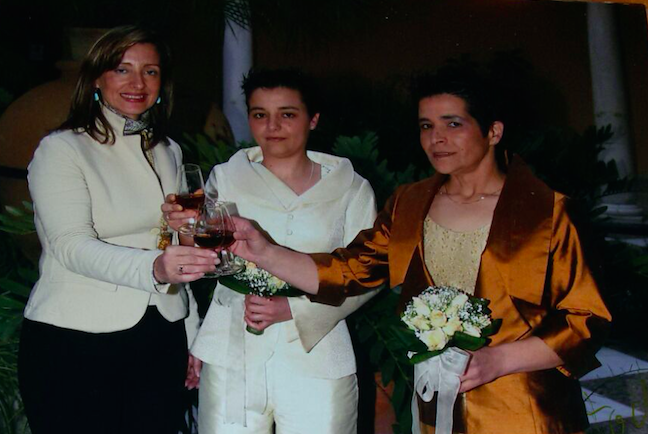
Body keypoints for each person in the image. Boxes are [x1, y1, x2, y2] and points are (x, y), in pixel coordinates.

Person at [229, 72, 612, 434]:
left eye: (453, 124)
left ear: (493, 131)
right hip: (436, 407)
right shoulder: (409, 205)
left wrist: (497, 360)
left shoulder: (546, 212)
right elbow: (346, 271)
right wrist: (263, 251)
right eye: (426, 126)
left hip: (524, 409)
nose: (436, 139)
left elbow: (587, 320)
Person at [18, 25, 218, 434]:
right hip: (76, 337)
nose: (137, 83)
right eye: (122, 69)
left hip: (162, 333)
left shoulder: (168, 150)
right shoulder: (62, 149)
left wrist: (190, 333)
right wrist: (155, 269)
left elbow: (170, 246)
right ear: (96, 77)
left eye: (150, 71)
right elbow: (70, 245)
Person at [164, 69, 378, 434]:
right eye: (260, 114)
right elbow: (201, 256)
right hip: (233, 348)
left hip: (319, 353)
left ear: (313, 119)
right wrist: (184, 228)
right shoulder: (225, 177)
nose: (272, 126)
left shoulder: (350, 188)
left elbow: (368, 276)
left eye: (287, 114)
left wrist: (295, 310)